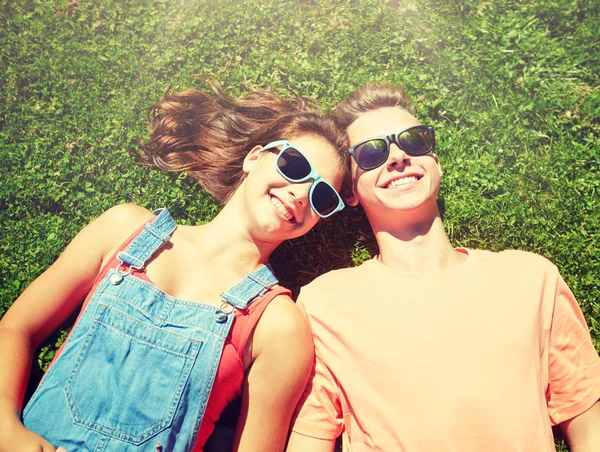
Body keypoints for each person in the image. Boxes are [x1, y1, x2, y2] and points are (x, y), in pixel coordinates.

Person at [0, 82, 349, 452]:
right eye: (295, 166)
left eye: (321, 195)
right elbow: (16, 328)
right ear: (255, 157)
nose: (300, 193)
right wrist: (6, 426)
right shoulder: (125, 229)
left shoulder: (278, 325)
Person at [287, 82, 600, 452]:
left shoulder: (532, 278)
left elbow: (586, 420)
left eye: (414, 140)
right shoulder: (325, 303)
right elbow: (311, 437)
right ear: (350, 192)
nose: (398, 156)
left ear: (435, 161)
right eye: (371, 153)